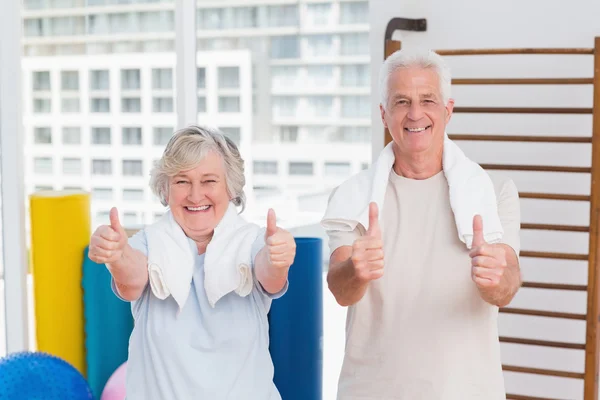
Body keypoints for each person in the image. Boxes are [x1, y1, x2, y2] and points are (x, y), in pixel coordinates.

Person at [321, 48, 522, 399]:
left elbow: (506, 287)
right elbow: (341, 290)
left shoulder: (492, 190)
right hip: (372, 390)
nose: (415, 113)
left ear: (447, 110)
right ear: (384, 115)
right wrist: (356, 269)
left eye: (427, 100)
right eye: (401, 102)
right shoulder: (352, 197)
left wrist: (494, 277)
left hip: (466, 390)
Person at [88, 125, 297, 399]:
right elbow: (131, 280)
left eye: (209, 181)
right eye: (182, 181)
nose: (195, 195)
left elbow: (270, 276)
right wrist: (116, 255)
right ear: (166, 188)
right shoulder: (149, 241)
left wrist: (277, 258)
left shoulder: (252, 242)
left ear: (231, 188)